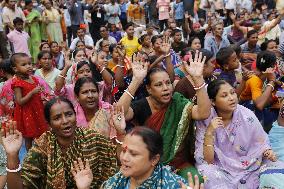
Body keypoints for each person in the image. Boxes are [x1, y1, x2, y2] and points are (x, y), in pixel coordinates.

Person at [117, 51, 211, 181]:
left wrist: (198, 79)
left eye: (168, 83)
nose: (166, 88)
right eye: (158, 85)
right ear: (149, 89)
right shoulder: (142, 105)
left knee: (196, 180)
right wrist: (136, 80)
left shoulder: (178, 102)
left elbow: (203, 113)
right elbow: (119, 114)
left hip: (179, 163)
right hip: (149, 164)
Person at [1, 96, 118, 188]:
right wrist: (12, 155)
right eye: (57, 118)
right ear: (49, 124)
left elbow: (118, 160)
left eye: (69, 114)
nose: (65, 121)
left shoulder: (93, 138)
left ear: (75, 115)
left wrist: (121, 133)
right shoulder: (42, 147)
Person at [195, 79, 277, 188]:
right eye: (224, 96)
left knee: (274, 169)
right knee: (207, 172)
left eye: (232, 92)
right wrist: (210, 131)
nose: (232, 98)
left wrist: (267, 151)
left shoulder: (246, 115)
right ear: (213, 102)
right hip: (220, 167)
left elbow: (261, 141)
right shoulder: (206, 119)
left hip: (250, 164)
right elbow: (208, 160)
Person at [102, 126, 189, 188]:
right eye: (124, 151)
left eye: (133, 154)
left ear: (154, 159)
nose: (124, 158)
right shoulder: (116, 181)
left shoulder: (176, 185)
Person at [11, 53, 51, 151]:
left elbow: (36, 95)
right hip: (26, 113)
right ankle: (30, 156)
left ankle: (43, 152)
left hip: (38, 109)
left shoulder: (33, 78)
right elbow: (19, 101)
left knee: (42, 133)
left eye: (29, 63)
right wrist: (32, 93)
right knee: (29, 137)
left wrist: (42, 98)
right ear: (15, 69)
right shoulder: (17, 83)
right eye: (24, 64)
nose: (28, 66)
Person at [240, 51, 278, 132]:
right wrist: (271, 82)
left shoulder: (263, 76)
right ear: (272, 66)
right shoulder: (255, 79)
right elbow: (259, 105)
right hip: (245, 107)